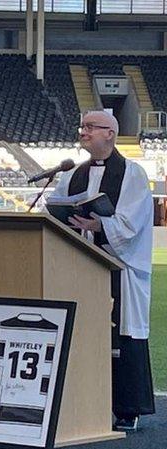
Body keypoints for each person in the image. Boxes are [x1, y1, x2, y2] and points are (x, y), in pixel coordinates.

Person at [50, 110, 155, 431]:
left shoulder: (132, 174)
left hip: (120, 268)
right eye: (82, 126)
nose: (84, 131)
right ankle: (80, 400)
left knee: (121, 333)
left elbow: (132, 223)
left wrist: (101, 225)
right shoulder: (72, 175)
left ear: (109, 133)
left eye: (91, 127)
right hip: (81, 264)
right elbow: (55, 206)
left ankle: (127, 408)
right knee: (80, 332)